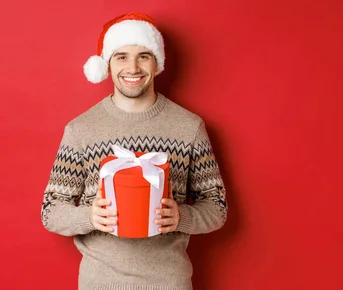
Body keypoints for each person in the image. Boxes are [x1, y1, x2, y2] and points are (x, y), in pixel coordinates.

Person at [40, 12, 227, 290]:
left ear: (157, 63)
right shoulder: (81, 130)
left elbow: (217, 207)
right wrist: (89, 216)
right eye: (122, 56)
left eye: (143, 55)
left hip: (169, 281)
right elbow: (50, 210)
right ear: (107, 64)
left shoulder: (189, 127)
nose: (133, 67)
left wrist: (182, 217)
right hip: (99, 282)